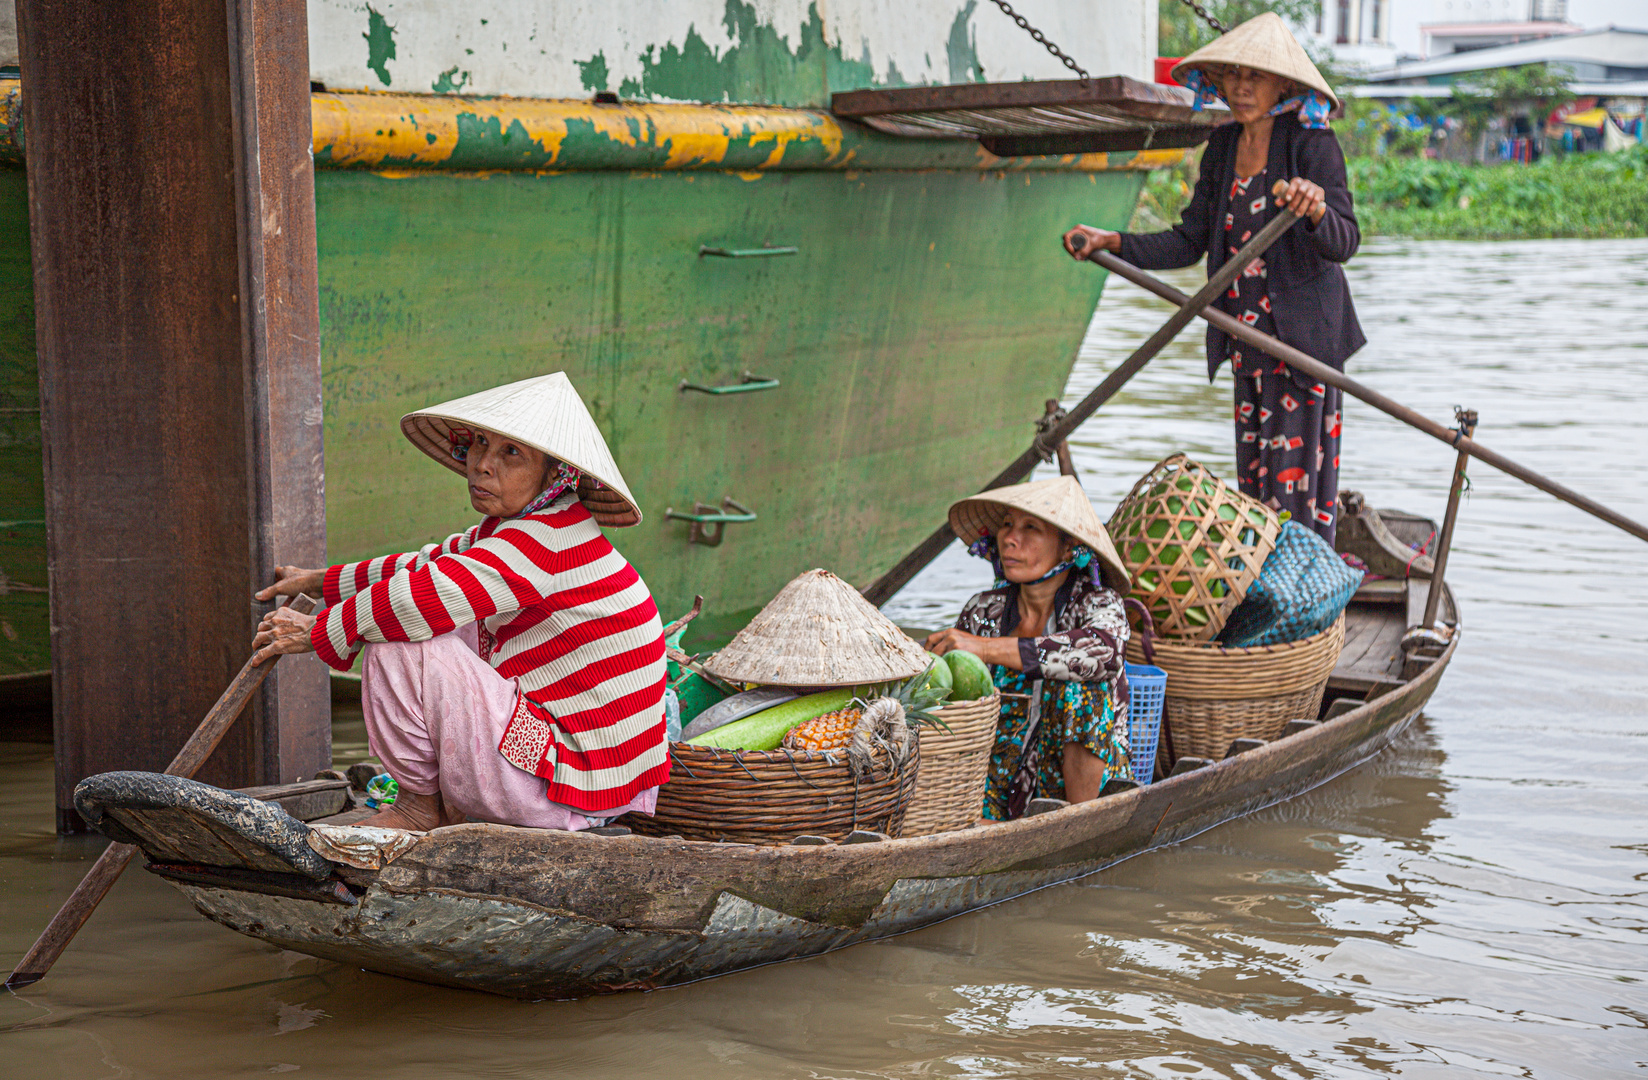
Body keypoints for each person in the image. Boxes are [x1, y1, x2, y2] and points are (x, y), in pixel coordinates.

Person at [251, 373, 670, 833]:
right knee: (425, 609)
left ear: (555, 474)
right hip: (591, 779)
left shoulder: (542, 542)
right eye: (480, 444)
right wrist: (321, 583)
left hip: (571, 788)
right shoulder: (538, 525)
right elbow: (429, 565)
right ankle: (437, 795)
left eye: (512, 453)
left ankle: (417, 807)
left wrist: (317, 631)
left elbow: (414, 599)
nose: (482, 465)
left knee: (400, 636)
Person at [1062, 12, 1362, 543]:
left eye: (1256, 77)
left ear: (1283, 85)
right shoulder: (1222, 147)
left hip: (1299, 348)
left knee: (1293, 491)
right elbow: (1189, 241)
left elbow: (1344, 242)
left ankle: (1298, 596)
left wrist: (1315, 209)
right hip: (1244, 343)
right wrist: (1115, 241)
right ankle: (1258, 587)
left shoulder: (1313, 143)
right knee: (1253, 483)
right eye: (1233, 76)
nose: (1242, 88)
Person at [925, 476, 1134, 820]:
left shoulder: (1098, 603)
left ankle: (1083, 825)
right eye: (1007, 525)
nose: (1010, 539)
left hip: (1078, 782)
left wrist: (987, 649)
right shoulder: (983, 610)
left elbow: (1104, 654)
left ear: (1068, 548)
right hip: (997, 776)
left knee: (1081, 686)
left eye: (1031, 528)